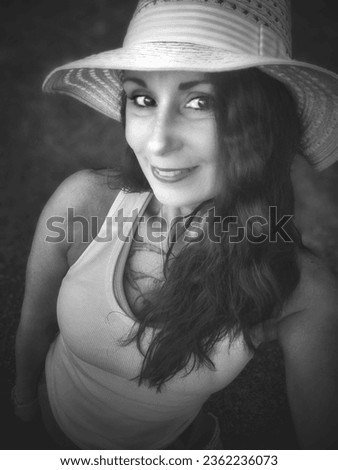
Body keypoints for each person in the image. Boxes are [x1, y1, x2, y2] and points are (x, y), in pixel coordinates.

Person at [13, 0, 338, 450]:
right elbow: (34, 322)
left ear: (263, 123)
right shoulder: (85, 204)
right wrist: (23, 400)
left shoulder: (300, 287)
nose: (158, 141)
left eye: (200, 101)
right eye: (142, 99)